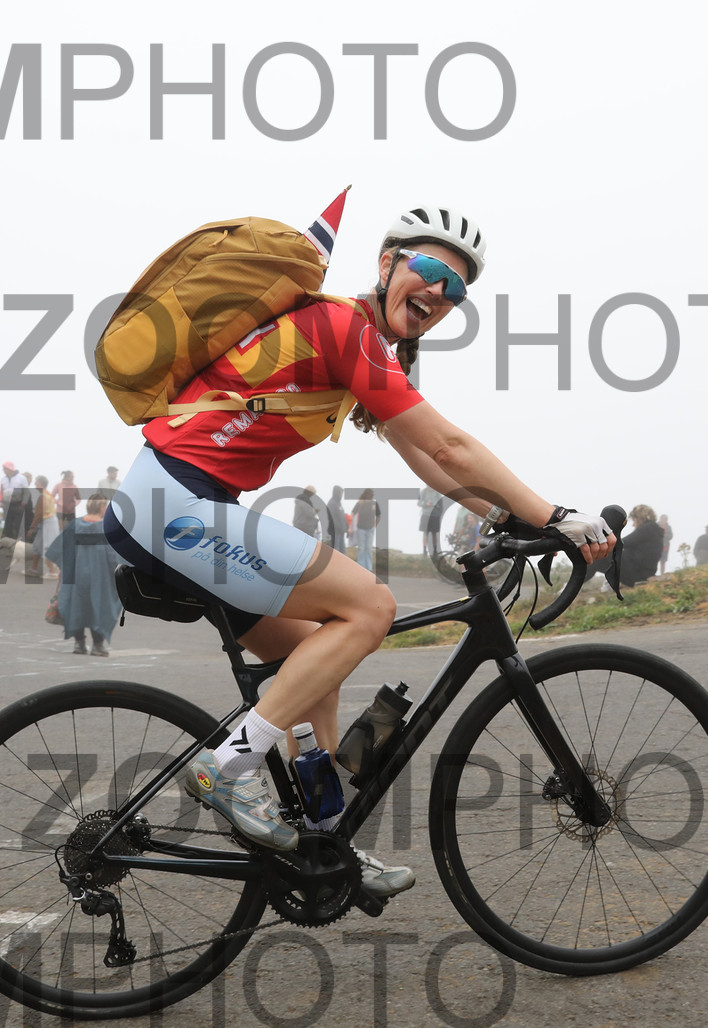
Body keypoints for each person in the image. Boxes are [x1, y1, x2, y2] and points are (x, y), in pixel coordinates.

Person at [104, 204, 614, 899]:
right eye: (429, 270)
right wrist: (553, 515)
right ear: (387, 264)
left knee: (314, 661)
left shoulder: (364, 345)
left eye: (456, 290)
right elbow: (449, 445)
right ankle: (229, 766)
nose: (439, 293)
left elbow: (425, 458)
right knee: (371, 607)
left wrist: (504, 517)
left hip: (177, 503)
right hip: (174, 502)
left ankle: (322, 838)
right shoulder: (342, 327)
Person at [46, 494, 122, 656]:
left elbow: (59, 549)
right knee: (101, 607)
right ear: (101, 507)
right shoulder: (106, 529)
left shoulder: (75, 525)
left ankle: (79, 644)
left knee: (76, 607)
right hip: (100, 577)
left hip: (75, 575)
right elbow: (113, 556)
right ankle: (97, 645)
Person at [618, 504, 664, 587]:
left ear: (638, 518)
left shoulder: (648, 528)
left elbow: (622, 543)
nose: (633, 524)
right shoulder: (654, 531)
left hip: (637, 575)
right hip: (643, 573)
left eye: (634, 520)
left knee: (602, 553)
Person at [30, 474, 59, 579]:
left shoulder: (43, 496)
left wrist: (32, 527)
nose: (34, 484)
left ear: (41, 484)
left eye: (36, 482)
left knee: (47, 547)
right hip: (46, 522)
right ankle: (34, 568)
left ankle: (53, 572)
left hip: (48, 522)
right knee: (37, 545)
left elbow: (39, 514)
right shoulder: (47, 494)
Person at [352, 488, 381, 572]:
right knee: (361, 548)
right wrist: (352, 526)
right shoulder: (360, 503)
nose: (371, 496)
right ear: (365, 494)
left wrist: (375, 525)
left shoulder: (374, 504)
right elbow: (353, 513)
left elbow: (379, 515)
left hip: (370, 529)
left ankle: (369, 568)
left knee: (368, 548)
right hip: (361, 529)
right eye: (369, 494)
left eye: (372, 494)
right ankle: (361, 567)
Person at [0, 461, 29, 541]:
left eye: (4, 468)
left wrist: (23, 504)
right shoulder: (3, 479)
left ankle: (20, 543)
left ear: (9, 468)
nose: (3, 470)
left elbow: (26, 492)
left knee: (18, 525)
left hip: (18, 504)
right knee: (8, 526)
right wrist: (0, 501)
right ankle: (9, 544)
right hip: (7, 505)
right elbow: (1, 491)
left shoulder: (21, 478)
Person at [418, 485, 443, 554]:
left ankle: (435, 550)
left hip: (435, 515)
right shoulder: (423, 491)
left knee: (434, 533)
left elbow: (441, 504)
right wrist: (425, 504)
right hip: (426, 514)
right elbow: (419, 503)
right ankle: (424, 550)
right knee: (425, 532)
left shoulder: (437, 493)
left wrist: (436, 506)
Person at [324, 485, 346, 555]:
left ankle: (342, 562)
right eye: (340, 493)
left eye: (342, 493)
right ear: (336, 492)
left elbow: (342, 517)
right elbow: (333, 519)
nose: (341, 495)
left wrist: (346, 527)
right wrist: (339, 528)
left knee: (343, 550)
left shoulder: (339, 503)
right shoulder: (331, 503)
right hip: (335, 532)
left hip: (341, 531)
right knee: (336, 550)